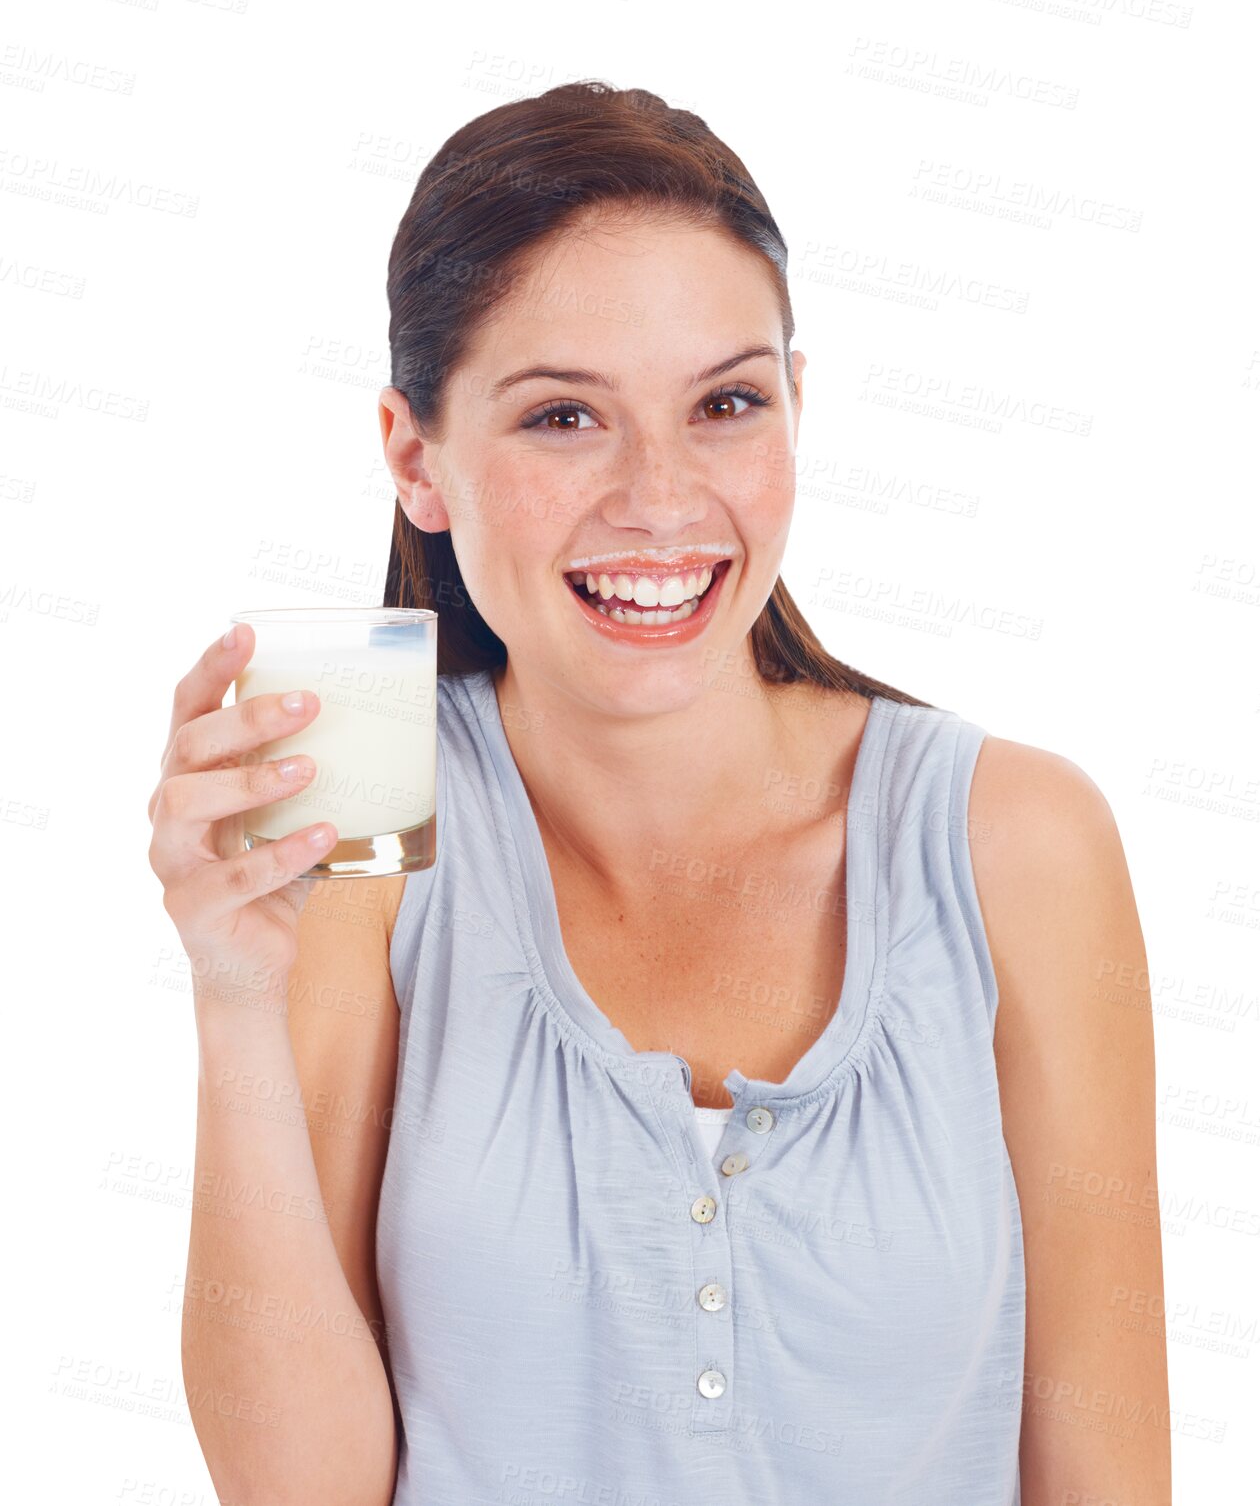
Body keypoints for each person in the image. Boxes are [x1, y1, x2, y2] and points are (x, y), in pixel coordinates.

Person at [148, 81, 1171, 1505]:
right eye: (565, 416)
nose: (662, 499)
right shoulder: (365, 826)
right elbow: (298, 1491)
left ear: (797, 407)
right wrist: (234, 1001)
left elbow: (1109, 1469)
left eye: (726, 404)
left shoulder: (1017, 844)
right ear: (414, 457)